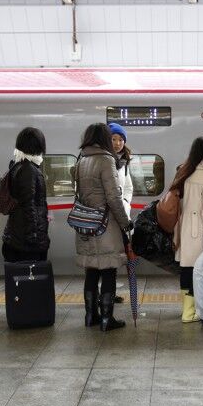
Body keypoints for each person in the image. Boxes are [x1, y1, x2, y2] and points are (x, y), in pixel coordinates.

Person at [74, 123, 133, 332]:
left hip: (86, 224)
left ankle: (91, 315)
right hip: (105, 225)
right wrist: (125, 223)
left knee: (92, 270)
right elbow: (114, 198)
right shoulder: (107, 160)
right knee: (108, 270)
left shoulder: (82, 159)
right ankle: (107, 319)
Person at [171, 137, 203, 323]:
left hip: (183, 228)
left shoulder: (183, 173)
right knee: (199, 270)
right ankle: (192, 312)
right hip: (198, 232)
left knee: (186, 269)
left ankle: (187, 310)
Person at [1, 127, 50, 262]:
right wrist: (33, 236)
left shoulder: (18, 166)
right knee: (31, 280)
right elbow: (29, 205)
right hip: (25, 242)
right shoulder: (29, 170)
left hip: (17, 236)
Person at [109, 123, 133, 304]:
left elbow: (128, 187)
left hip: (121, 215)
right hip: (106, 217)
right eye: (114, 139)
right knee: (106, 254)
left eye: (121, 139)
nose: (118, 143)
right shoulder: (104, 160)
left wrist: (124, 204)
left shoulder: (124, 163)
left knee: (118, 253)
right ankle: (104, 295)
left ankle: (110, 292)